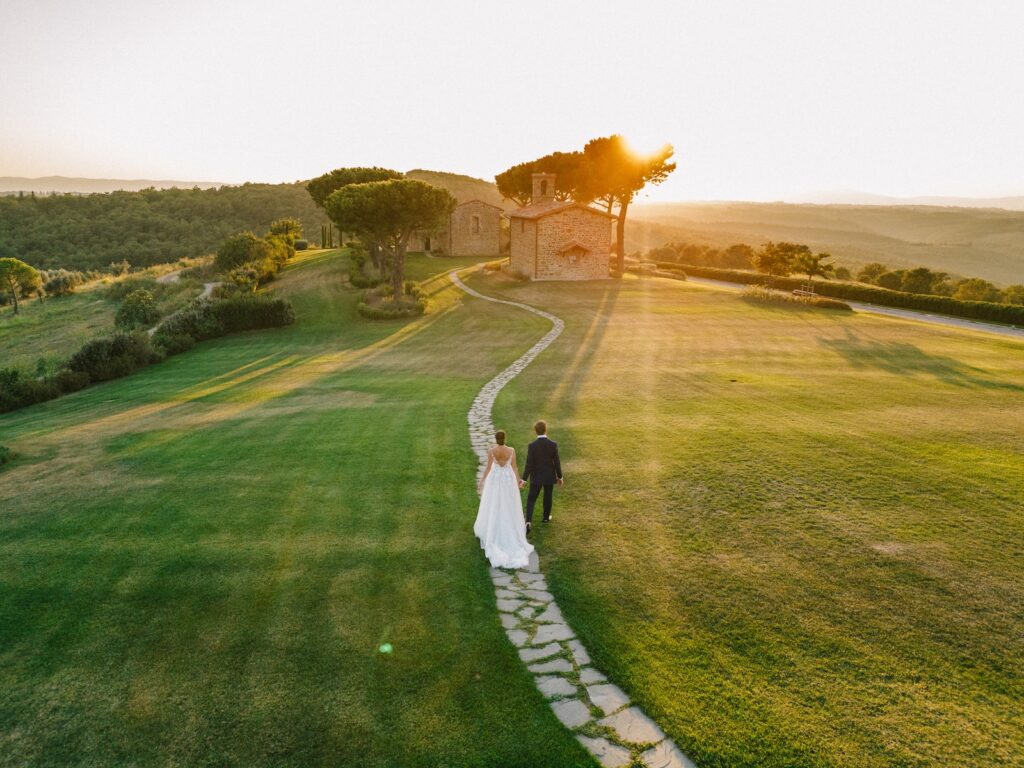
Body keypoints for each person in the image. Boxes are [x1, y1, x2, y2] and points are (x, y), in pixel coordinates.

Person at [474, 429, 534, 568]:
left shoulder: (492, 451)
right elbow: (514, 467)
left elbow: (489, 468)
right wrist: (519, 481)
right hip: (507, 480)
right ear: (505, 438)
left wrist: (482, 481)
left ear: (496, 439)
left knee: (493, 503)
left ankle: (492, 527)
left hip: (495, 480)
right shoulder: (511, 450)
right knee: (509, 504)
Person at [522, 420, 563, 533]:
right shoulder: (553, 444)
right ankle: (545, 518)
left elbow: (529, 464)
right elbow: (557, 463)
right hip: (549, 476)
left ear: (535, 431)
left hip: (536, 477)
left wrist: (524, 479)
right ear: (546, 429)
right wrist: (560, 477)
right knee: (548, 496)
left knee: (531, 498)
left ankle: (528, 521)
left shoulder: (532, 446)